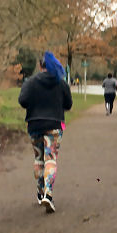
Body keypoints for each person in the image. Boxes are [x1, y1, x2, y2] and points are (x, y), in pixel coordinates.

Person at [18, 51, 73, 213]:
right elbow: (68, 105)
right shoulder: (61, 83)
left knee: (38, 158)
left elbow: (22, 101)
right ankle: (48, 194)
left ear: (40, 66)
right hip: (54, 125)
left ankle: (40, 192)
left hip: (34, 124)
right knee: (50, 158)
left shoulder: (30, 82)